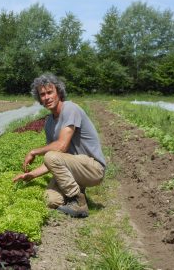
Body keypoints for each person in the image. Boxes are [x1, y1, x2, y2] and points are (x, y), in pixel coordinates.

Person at [13, 73, 106, 218]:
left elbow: (60, 147)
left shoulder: (70, 108)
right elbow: (53, 161)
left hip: (93, 169)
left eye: (50, 92)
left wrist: (34, 151)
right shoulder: (49, 122)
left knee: (50, 155)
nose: (47, 97)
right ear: (39, 99)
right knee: (50, 200)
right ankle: (77, 191)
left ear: (58, 92)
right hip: (74, 168)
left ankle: (77, 202)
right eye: (42, 94)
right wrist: (32, 175)